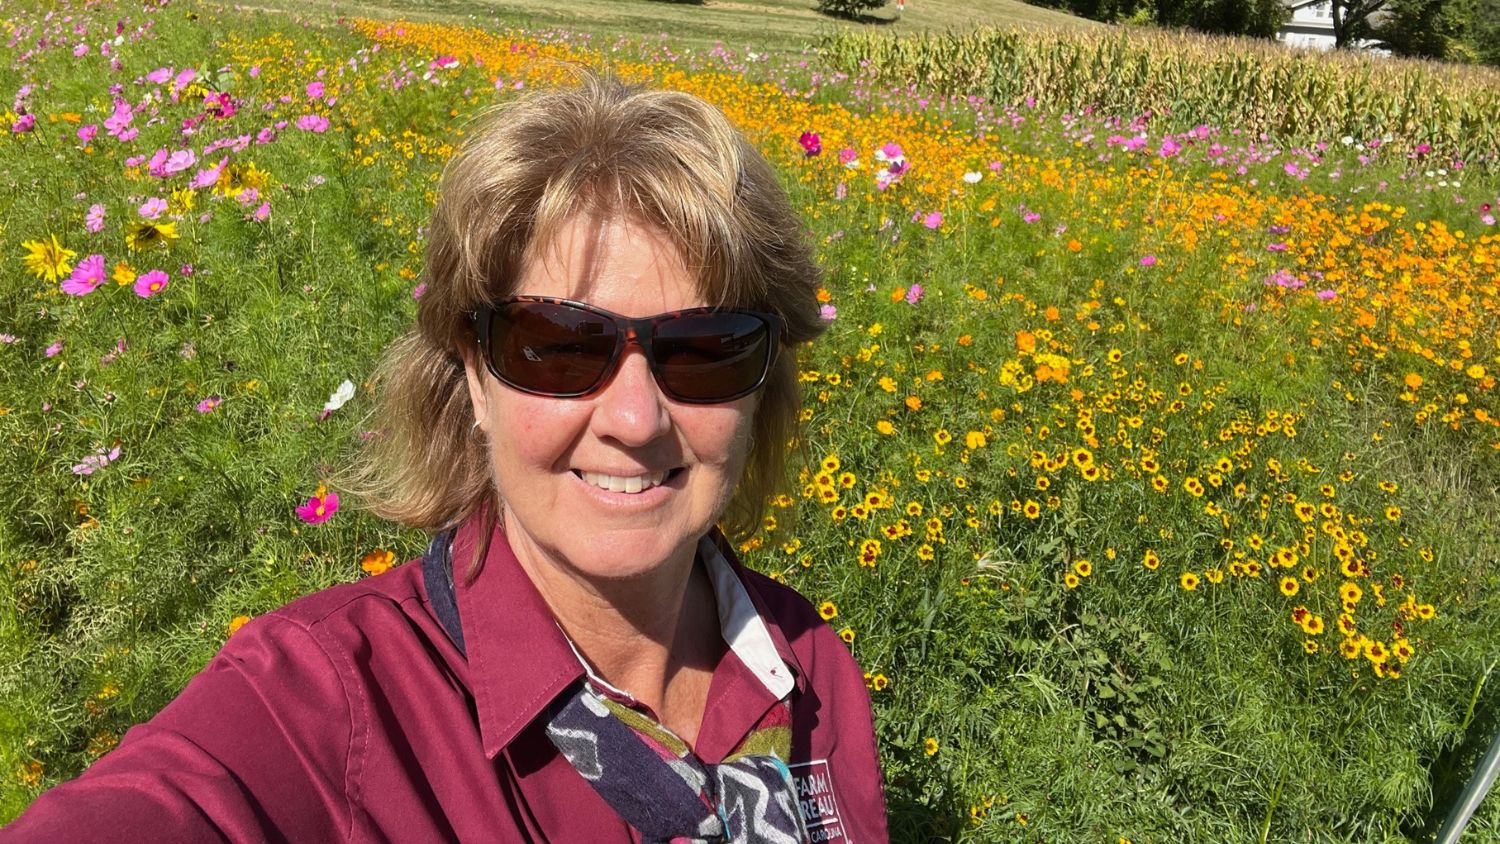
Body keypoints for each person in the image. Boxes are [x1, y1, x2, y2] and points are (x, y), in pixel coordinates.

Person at [4, 74, 889, 843]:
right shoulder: (329, 705)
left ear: (762, 383)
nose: (633, 417)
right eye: (558, 345)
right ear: (472, 372)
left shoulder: (813, 670)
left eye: (705, 349)